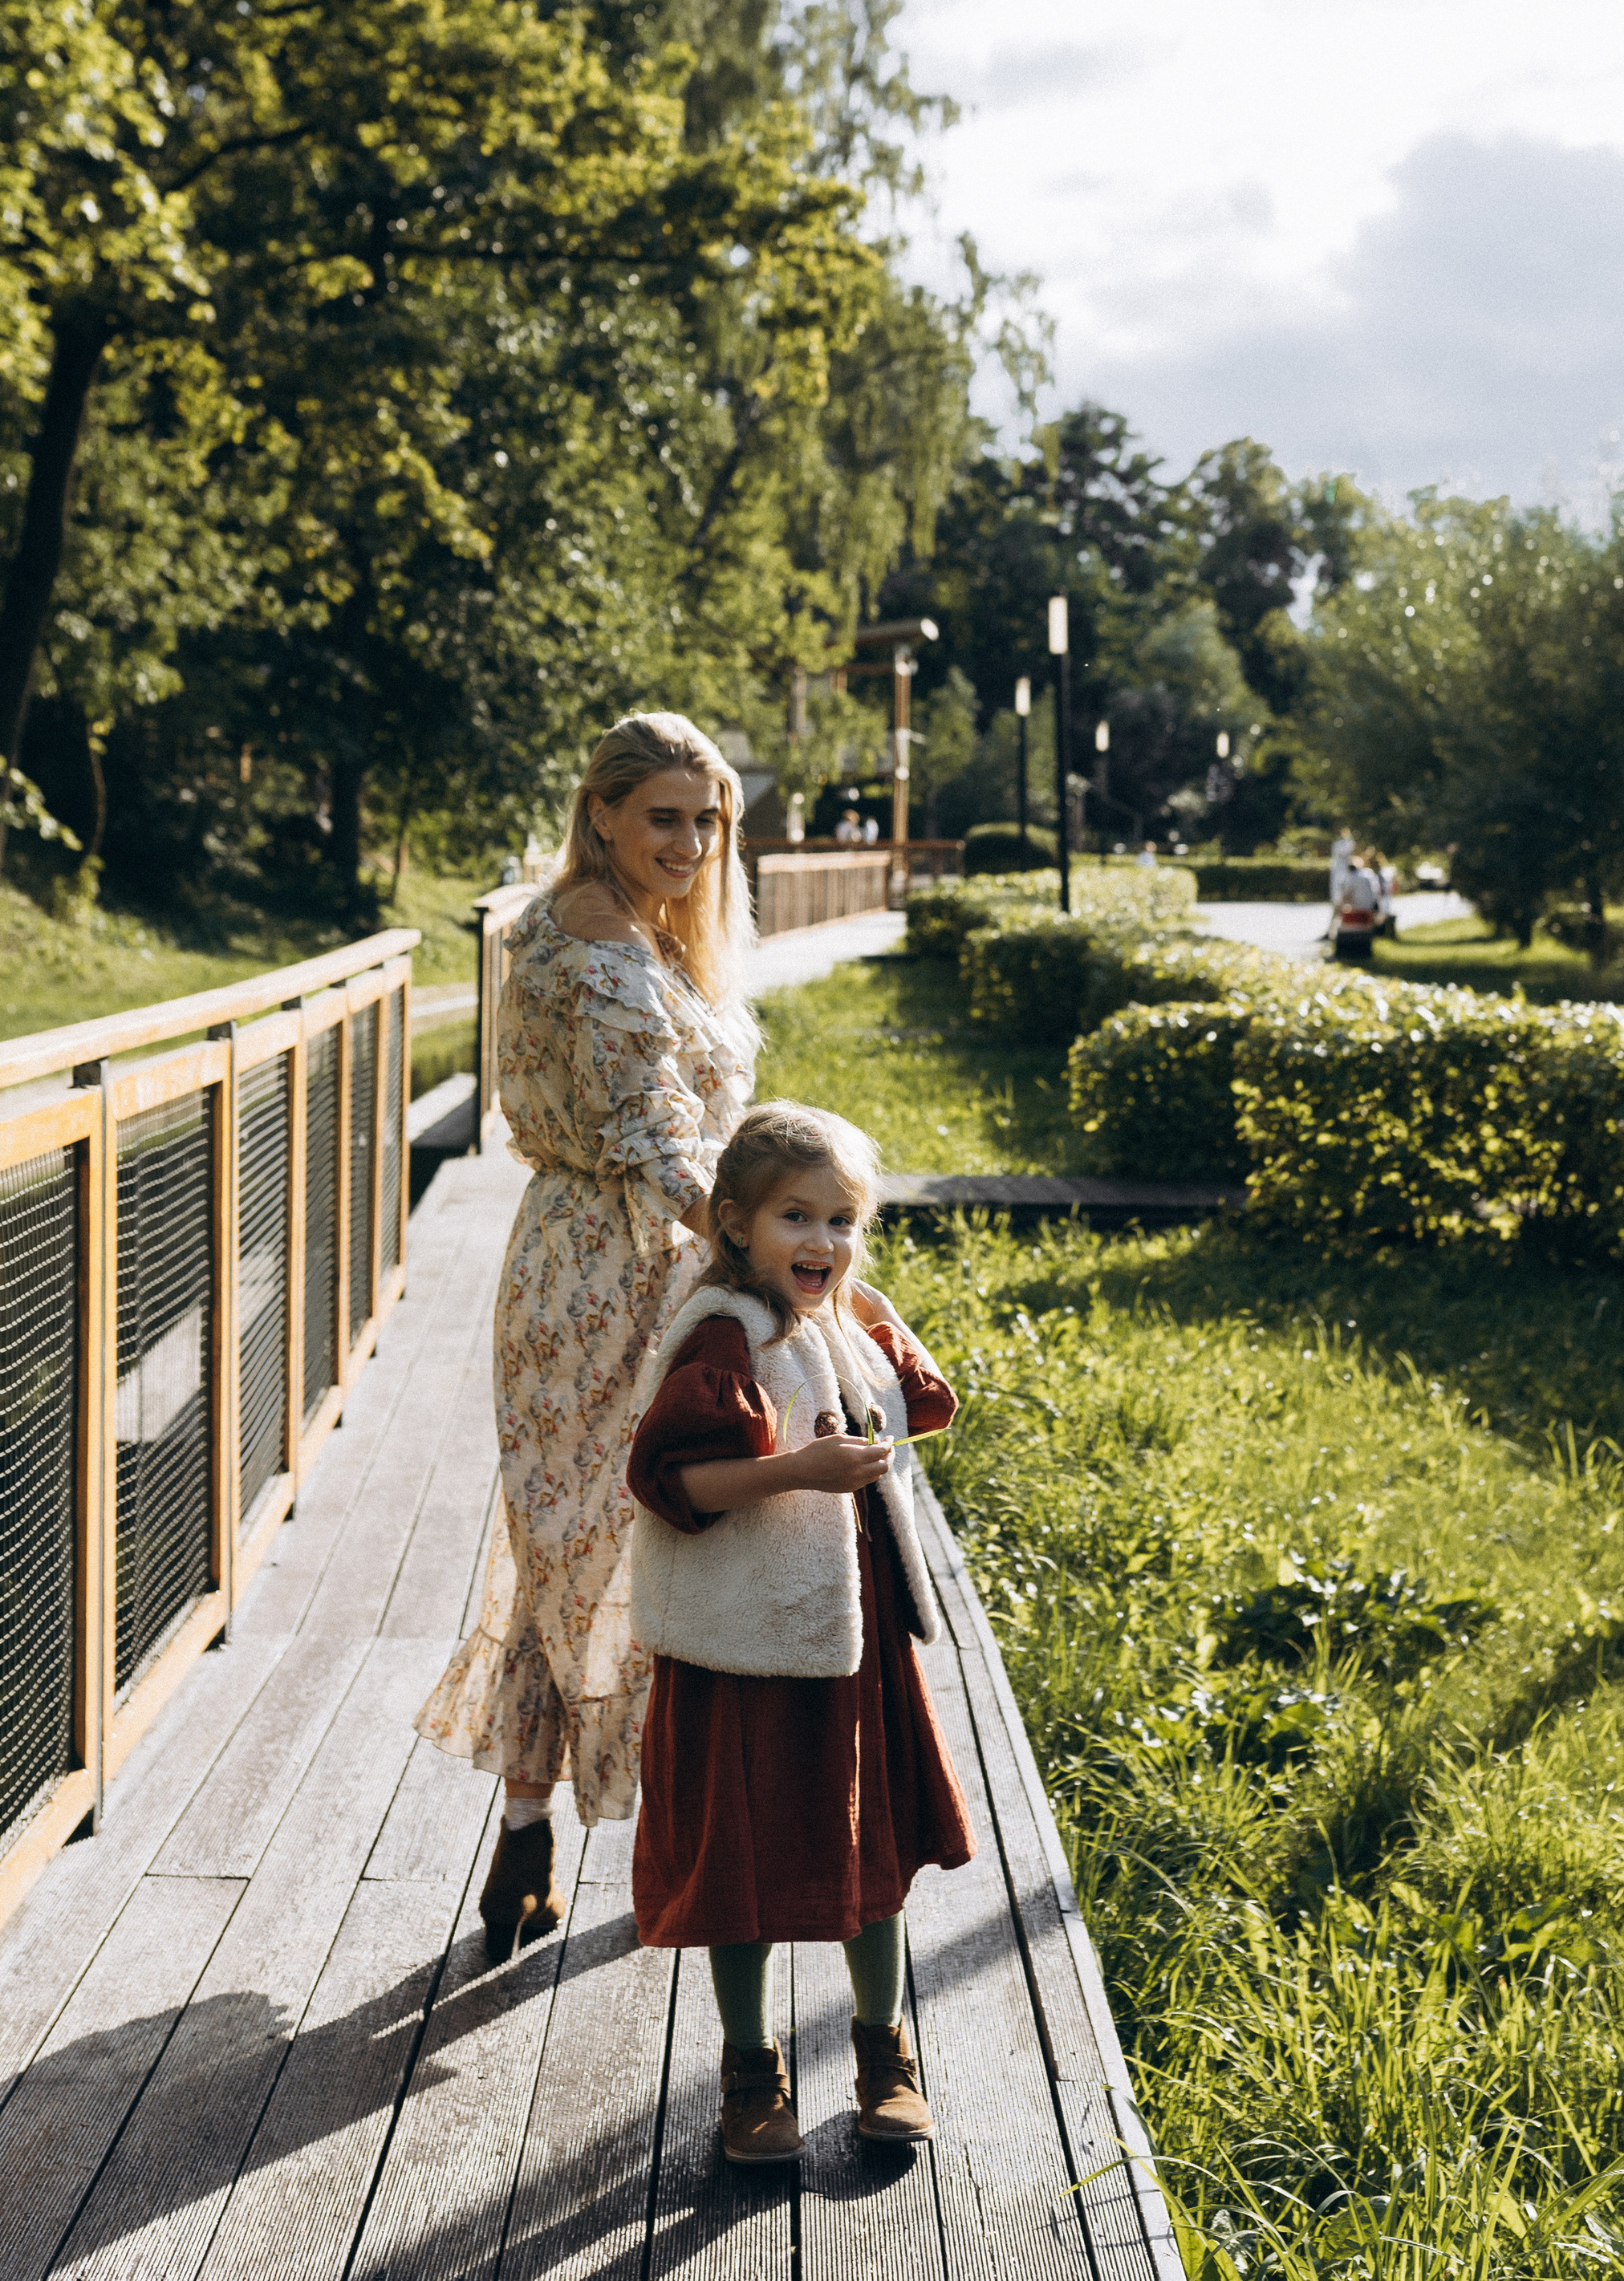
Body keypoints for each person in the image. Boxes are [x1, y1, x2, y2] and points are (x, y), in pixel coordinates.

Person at [413, 713, 760, 1959]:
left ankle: (530, 1829)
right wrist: (779, 1263)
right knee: (621, 1548)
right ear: (601, 811)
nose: (690, 843)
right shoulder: (602, 948)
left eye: (706, 820)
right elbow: (662, 1146)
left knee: (569, 1549)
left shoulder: (599, 924)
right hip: (611, 1277)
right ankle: (679, 1838)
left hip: (596, 1259)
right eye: (663, 816)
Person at [626, 1102, 975, 2166]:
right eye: (796, 1217)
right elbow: (675, 1478)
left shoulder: (831, 1320)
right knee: (741, 1859)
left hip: (852, 1642)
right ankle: (750, 2067)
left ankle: (883, 2050)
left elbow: (923, 1401)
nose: (822, 1240)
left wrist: (851, 1295)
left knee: (870, 1846)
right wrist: (798, 1470)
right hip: (747, 1647)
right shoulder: (726, 1331)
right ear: (735, 1222)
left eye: (843, 1221)